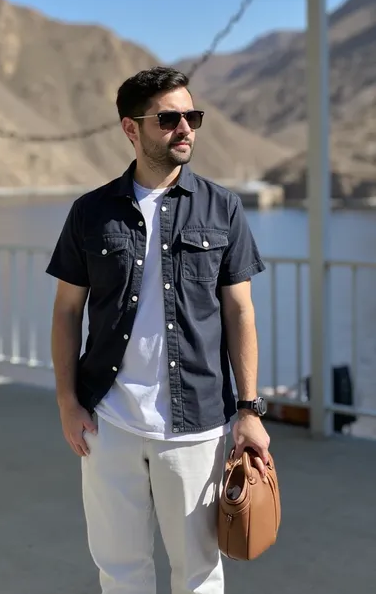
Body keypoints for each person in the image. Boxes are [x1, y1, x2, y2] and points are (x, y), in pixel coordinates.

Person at [46, 66, 271, 594]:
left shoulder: (223, 208)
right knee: (120, 570)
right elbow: (65, 312)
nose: (185, 129)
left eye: (191, 117)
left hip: (196, 427)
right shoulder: (90, 212)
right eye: (168, 119)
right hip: (109, 422)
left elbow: (241, 312)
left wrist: (249, 409)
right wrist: (66, 402)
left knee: (197, 571)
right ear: (132, 128)